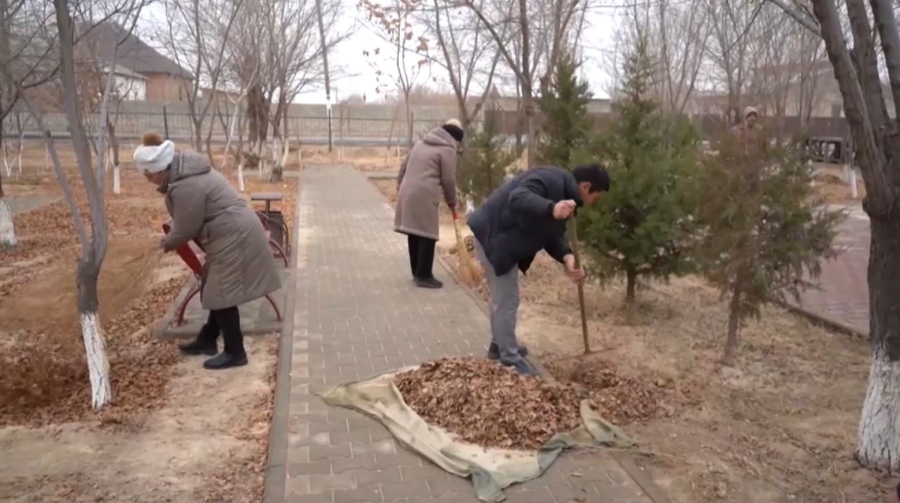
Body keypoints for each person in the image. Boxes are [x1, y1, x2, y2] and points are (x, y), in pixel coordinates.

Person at [134, 132, 282, 370]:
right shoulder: (185, 174)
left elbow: (186, 227)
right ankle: (208, 338)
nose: (148, 180)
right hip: (232, 231)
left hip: (235, 235)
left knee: (220, 291)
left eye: (148, 175)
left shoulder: (185, 184)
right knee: (216, 288)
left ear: (159, 169)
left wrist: (165, 243)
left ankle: (235, 352)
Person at [467, 164, 610, 375]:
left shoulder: (565, 196)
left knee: (502, 298)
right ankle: (509, 358)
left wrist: (567, 257)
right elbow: (517, 196)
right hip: (493, 236)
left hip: (501, 239)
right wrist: (551, 208)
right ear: (586, 186)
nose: (592, 203)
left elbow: (552, 234)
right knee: (506, 300)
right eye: (595, 198)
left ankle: (499, 345)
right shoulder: (550, 179)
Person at [394, 119, 463, 289]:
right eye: (459, 143)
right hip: (424, 193)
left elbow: (404, 166)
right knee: (428, 233)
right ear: (455, 139)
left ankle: (417, 273)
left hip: (407, 190)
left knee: (414, 231)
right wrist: (452, 202)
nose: (458, 147)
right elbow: (448, 180)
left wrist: (400, 186)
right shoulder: (448, 150)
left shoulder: (421, 143)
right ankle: (424, 275)